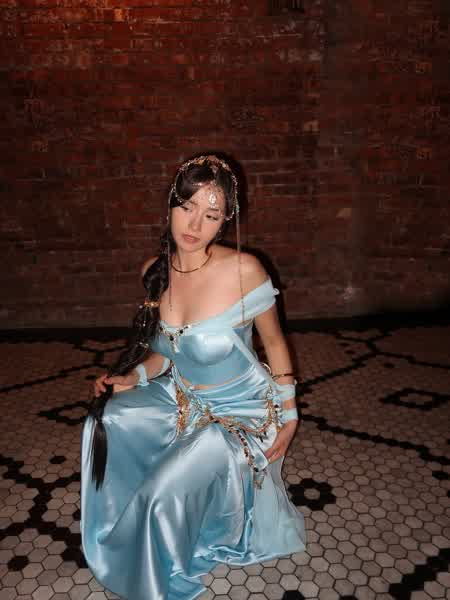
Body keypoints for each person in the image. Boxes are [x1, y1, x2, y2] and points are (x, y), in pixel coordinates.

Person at [81, 154, 306, 600]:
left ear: (224, 222)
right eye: (187, 206)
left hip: (240, 415)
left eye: (211, 214)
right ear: (170, 204)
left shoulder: (244, 271)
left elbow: (276, 343)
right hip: (183, 396)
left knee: (160, 495)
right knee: (106, 418)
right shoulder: (154, 271)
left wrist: (290, 413)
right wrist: (134, 377)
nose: (195, 223)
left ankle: (150, 568)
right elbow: (166, 353)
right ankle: (117, 519)